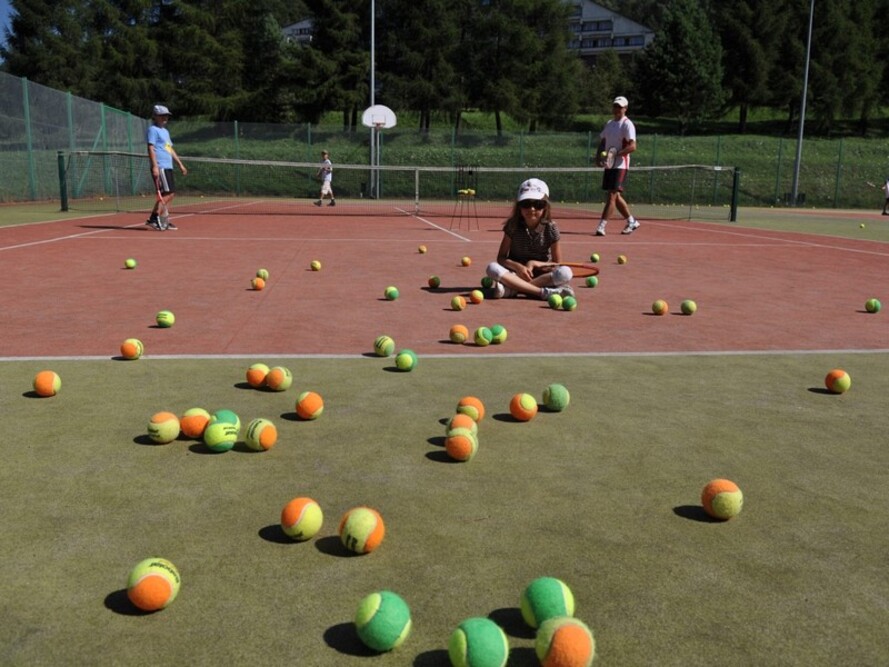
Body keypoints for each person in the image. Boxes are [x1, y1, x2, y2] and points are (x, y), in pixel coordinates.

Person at [485, 178, 575, 301]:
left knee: (565, 272)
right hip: (515, 274)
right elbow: (501, 258)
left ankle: (512, 289)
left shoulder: (551, 228)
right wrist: (518, 267)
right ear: (519, 207)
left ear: (545, 207)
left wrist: (534, 263)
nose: (531, 209)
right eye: (526, 204)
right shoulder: (513, 225)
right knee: (492, 268)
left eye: (538, 204)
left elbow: (557, 263)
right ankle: (541, 292)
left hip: (540, 275)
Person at [595, 96, 640, 236]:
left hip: (621, 165)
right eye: (615, 106)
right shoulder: (609, 123)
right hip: (610, 164)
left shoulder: (627, 124)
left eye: (620, 107)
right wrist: (598, 156)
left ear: (625, 109)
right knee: (615, 196)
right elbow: (603, 141)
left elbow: (633, 146)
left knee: (612, 196)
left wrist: (617, 154)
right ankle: (631, 221)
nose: (617, 109)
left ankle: (601, 226)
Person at [146, 104, 187, 230]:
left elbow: (169, 148)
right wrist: (155, 166)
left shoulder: (165, 132)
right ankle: (154, 218)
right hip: (161, 166)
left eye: (167, 116)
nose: (165, 118)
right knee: (169, 194)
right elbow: (151, 147)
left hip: (168, 166)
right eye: (162, 115)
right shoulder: (153, 130)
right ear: (155, 117)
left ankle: (162, 220)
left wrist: (180, 164)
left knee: (169, 194)